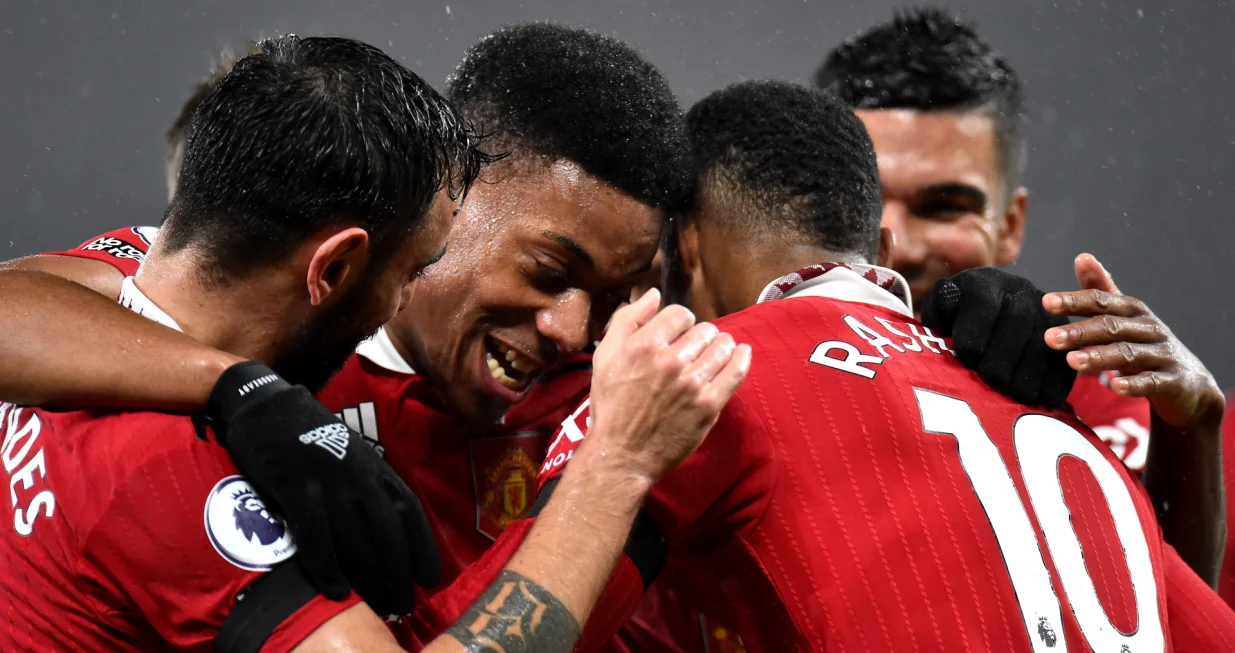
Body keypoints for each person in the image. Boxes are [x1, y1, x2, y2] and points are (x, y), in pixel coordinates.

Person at [403, 79, 1235, 652]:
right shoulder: (1045, 401)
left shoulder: (698, 385)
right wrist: (1195, 426)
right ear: (877, 246)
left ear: (680, 245)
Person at [0, 34, 753, 653]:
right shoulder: (162, 451)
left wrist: (234, 384)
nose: (572, 329)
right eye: (550, 270)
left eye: (614, 298)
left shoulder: (169, 289)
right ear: (457, 207)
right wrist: (617, 473)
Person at [813, 7, 1226, 588]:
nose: (897, 244)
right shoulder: (713, 374)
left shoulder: (1112, 420)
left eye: (944, 207)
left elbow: (1165, 615)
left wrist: (1192, 433)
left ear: (1009, 224)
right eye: (867, 202)